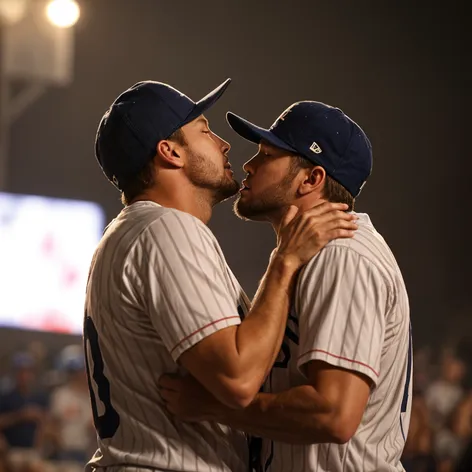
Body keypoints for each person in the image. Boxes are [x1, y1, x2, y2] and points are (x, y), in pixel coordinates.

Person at [85, 80, 358, 471]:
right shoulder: (167, 230)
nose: (224, 144)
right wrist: (285, 262)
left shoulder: (132, 231)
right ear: (171, 152)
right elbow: (239, 378)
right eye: (204, 131)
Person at [159, 101, 412, 471]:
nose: (249, 165)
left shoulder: (342, 255)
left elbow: (334, 415)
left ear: (311, 179)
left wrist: (213, 406)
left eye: (267, 154)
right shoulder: (310, 253)